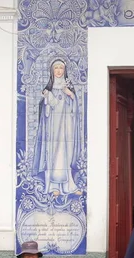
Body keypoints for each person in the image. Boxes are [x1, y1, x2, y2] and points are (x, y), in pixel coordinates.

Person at [32, 58, 83, 196]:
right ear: (52, 71)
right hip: (53, 128)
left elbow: (75, 108)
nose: (59, 71)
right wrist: (48, 97)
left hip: (66, 128)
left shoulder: (68, 87)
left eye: (61, 68)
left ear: (65, 70)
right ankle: (54, 186)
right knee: (54, 155)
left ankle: (68, 186)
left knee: (65, 154)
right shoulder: (48, 89)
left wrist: (70, 94)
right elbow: (46, 110)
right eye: (56, 68)